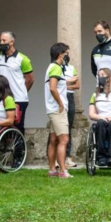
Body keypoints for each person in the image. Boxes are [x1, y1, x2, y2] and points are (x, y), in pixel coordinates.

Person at [0, 31, 34, 135]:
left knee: (18, 126)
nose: (1, 42)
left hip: (18, 99)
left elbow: (30, 79)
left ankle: (19, 151)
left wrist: (22, 91)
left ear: (11, 42)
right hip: (3, 99)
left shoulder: (22, 59)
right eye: (0, 40)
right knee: (3, 126)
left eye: (4, 40)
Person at [45, 43, 72, 179]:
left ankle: (52, 170)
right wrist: (60, 103)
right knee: (64, 139)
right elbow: (53, 88)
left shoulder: (53, 67)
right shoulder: (56, 68)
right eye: (67, 53)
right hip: (57, 109)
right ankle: (62, 170)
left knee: (54, 139)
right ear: (60, 54)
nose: (68, 56)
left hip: (52, 109)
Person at [63, 60, 80, 168]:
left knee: (68, 127)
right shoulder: (54, 67)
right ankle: (56, 158)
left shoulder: (71, 68)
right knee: (57, 129)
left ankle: (67, 157)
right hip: (59, 96)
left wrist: (65, 84)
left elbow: (77, 85)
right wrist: (70, 81)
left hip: (69, 96)